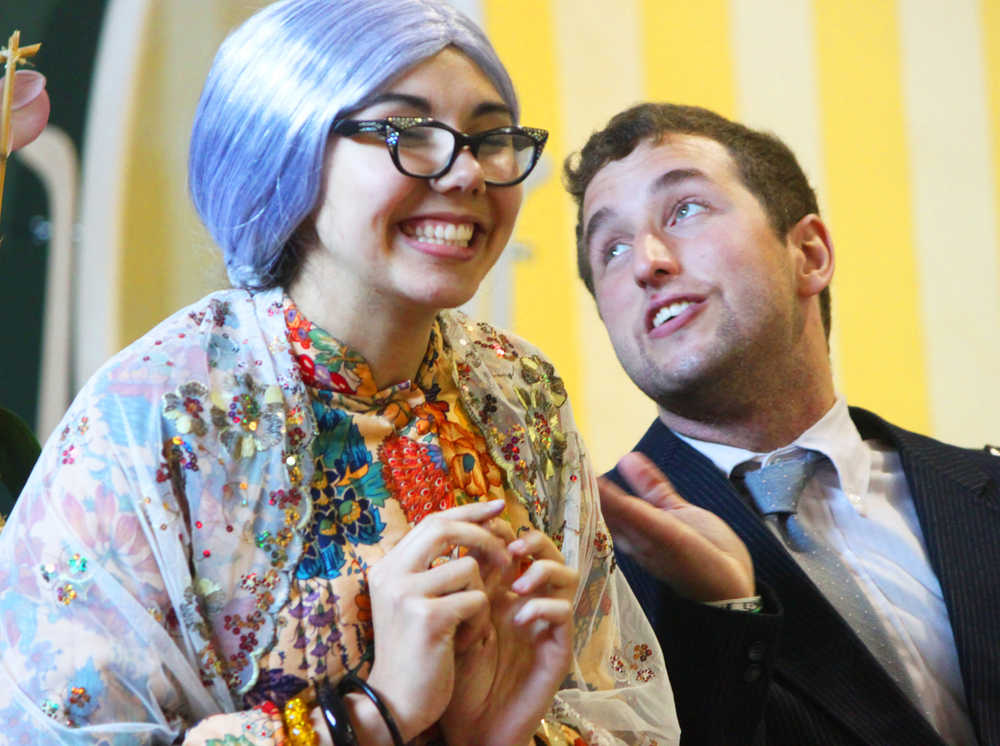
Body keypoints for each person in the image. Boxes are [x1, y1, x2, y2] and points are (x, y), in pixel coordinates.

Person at [0, 4, 679, 744]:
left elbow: (621, 705)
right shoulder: (156, 407)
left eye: (490, 137)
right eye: (409, 133)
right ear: (284, 146)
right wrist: (373, 714)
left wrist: (503, 734)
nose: (466, 172)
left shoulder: (519, 392)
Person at [564, 102, 999, 745]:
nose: (646, 262)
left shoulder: (984, 491)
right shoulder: (583, 564)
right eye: (612, 248)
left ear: (809, 254)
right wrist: (726, 614)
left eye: (684, 210)